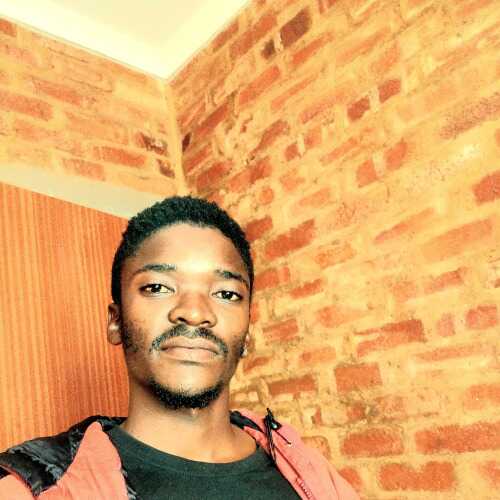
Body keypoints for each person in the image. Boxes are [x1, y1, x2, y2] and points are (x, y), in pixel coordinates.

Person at [0, 196, 359, 499]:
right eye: (158, 287)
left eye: (226, 293)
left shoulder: (308, 470)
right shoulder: (33, 487)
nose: (195, 312)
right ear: (115, 321)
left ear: (248, 331)